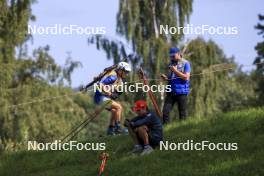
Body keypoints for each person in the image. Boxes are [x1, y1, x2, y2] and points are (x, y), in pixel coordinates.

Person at [94, 61, 131, 135]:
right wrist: (109, 93)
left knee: (115, 111)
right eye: (126, 72)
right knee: (119, 107)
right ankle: (118, 128)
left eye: (127, 72)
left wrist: (115, 94)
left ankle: (111, 129)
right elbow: (100, 84)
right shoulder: (113, 77)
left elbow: (118, 91)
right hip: (100, 97)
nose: (127, 74)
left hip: (105, 98)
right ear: (120, 70)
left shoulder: (119, 79)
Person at [161, 47, 191, 123]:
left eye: (173, 56)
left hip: (181, 92)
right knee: (165, 112)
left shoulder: (186, 63)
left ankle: (183, 130)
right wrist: (166, 78)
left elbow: (186, 77)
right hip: (171, 92)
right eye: (170, 56)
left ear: (178, 54)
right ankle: (167, 129)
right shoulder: (171, 64)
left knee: (182, 114)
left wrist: (175, 71)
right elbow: (172, 77)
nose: (172, 57)